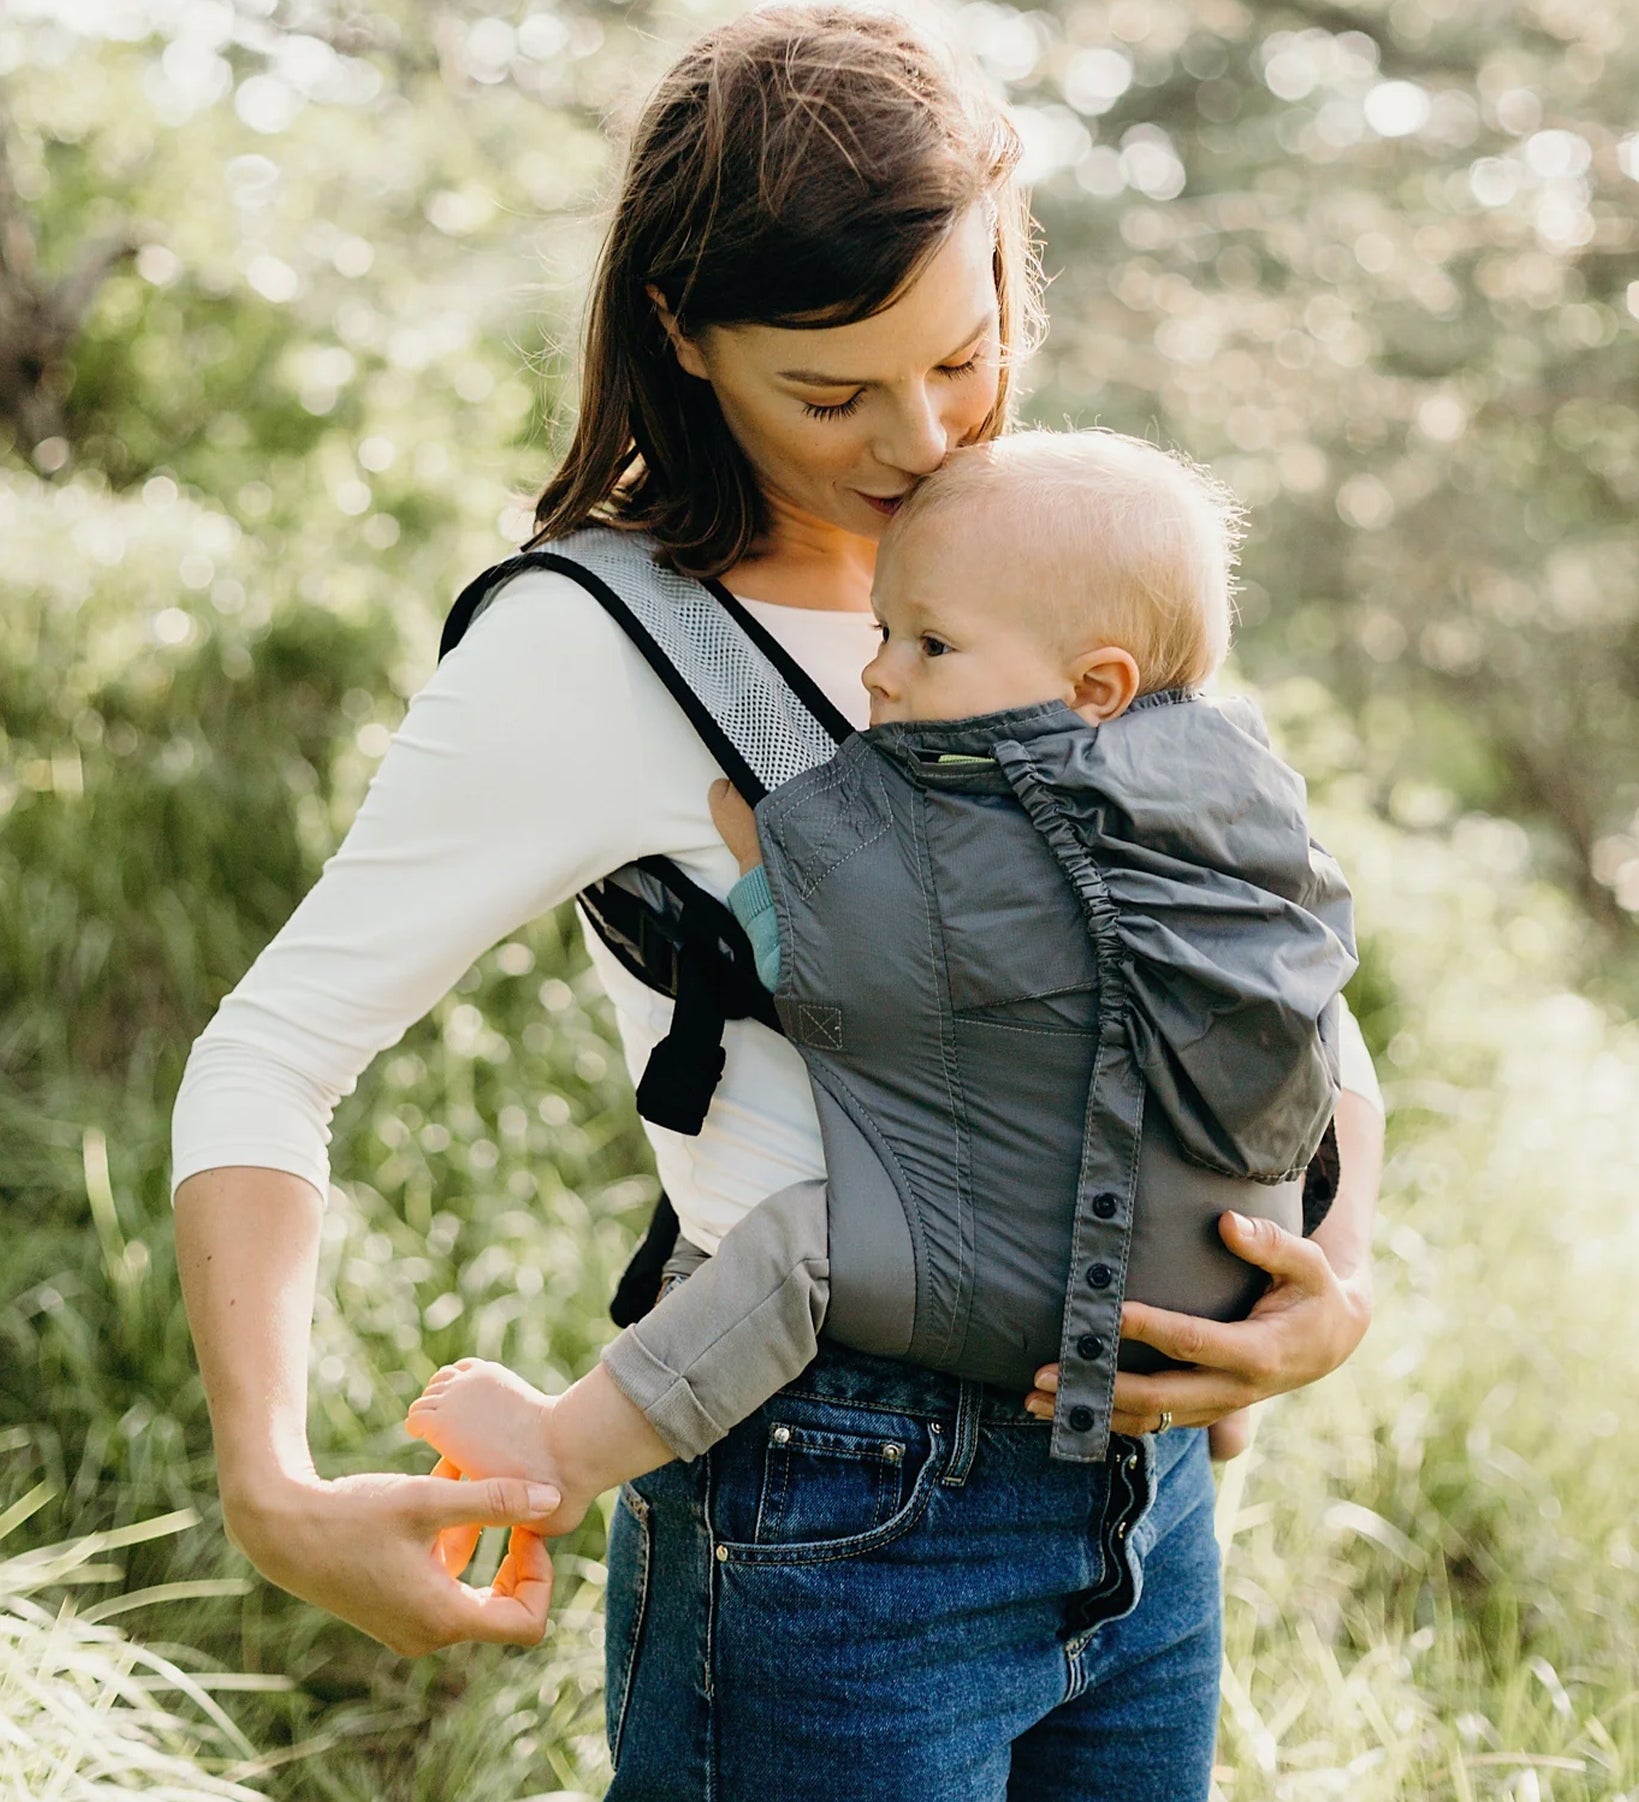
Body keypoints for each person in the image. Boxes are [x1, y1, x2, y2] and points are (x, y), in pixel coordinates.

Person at [170, 9, 1383, 1797]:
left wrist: (1329, 1282)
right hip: (823, 1510)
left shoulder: (1066, 550)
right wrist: (269, 1481)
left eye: (964, 359)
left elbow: (1259, 966)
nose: (917, 442)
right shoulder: (587, 648)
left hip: (1146, 1503)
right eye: (831, 392)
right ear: (682, 332)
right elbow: (273, 1053)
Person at [402, 427, 1357, 1516]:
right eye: (882, 629)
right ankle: (1214, 1384)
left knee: (808, 1242)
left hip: (1020, 1304)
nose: (879, 671)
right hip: (1229, 1274)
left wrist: (768, 862)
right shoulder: (1243, 791)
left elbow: (836, 976)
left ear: (1096, 682)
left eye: (930, 646)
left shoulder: (951, 822)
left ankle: (558, 1452)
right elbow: (1320, 1006)